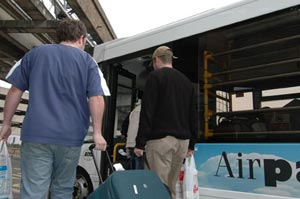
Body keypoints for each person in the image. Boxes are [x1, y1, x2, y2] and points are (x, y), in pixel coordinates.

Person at [0, 19, 110, 199]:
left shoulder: (35, 54)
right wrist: (97, 132)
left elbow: (15, 90)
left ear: (57, 37)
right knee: (62, 190)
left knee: (33, 191)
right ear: (82, 39)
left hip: (36, 134)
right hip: (70, 138)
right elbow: (96, 97)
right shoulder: (88, 62)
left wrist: (6, 123)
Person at [134, 46, 196, 199]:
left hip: (160, 142)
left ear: (156, 60)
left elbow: (147, 111)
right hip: (182, 143)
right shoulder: (186, 82)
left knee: (157, 189)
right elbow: (193, 115)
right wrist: (191, 144)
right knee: (170, 188)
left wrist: (140, 143)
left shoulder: (155, 77)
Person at [126, 90, 143, 169]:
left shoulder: (135, 110)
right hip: (138, 146)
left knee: (135, 171)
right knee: (139, 171)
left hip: (132, 144)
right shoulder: (142, 110)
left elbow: (125, 128)